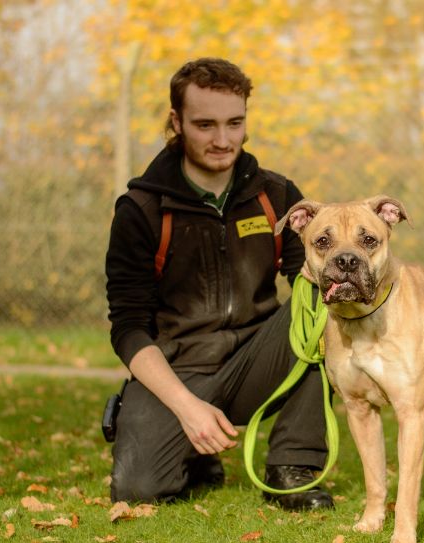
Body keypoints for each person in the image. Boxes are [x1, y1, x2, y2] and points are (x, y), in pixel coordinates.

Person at [104, 57, 333, 510]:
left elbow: (303, 278)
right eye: (205, 125)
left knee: (321, 309)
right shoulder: (142, 209)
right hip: (179, 368)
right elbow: (127, 328)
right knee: (139, 490)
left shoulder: (275, 195)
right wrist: (187, 409)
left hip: (257, 355)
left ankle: (293, 467)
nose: (223, 140)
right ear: (177, 121)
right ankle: (193, 455)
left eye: (235, 123)